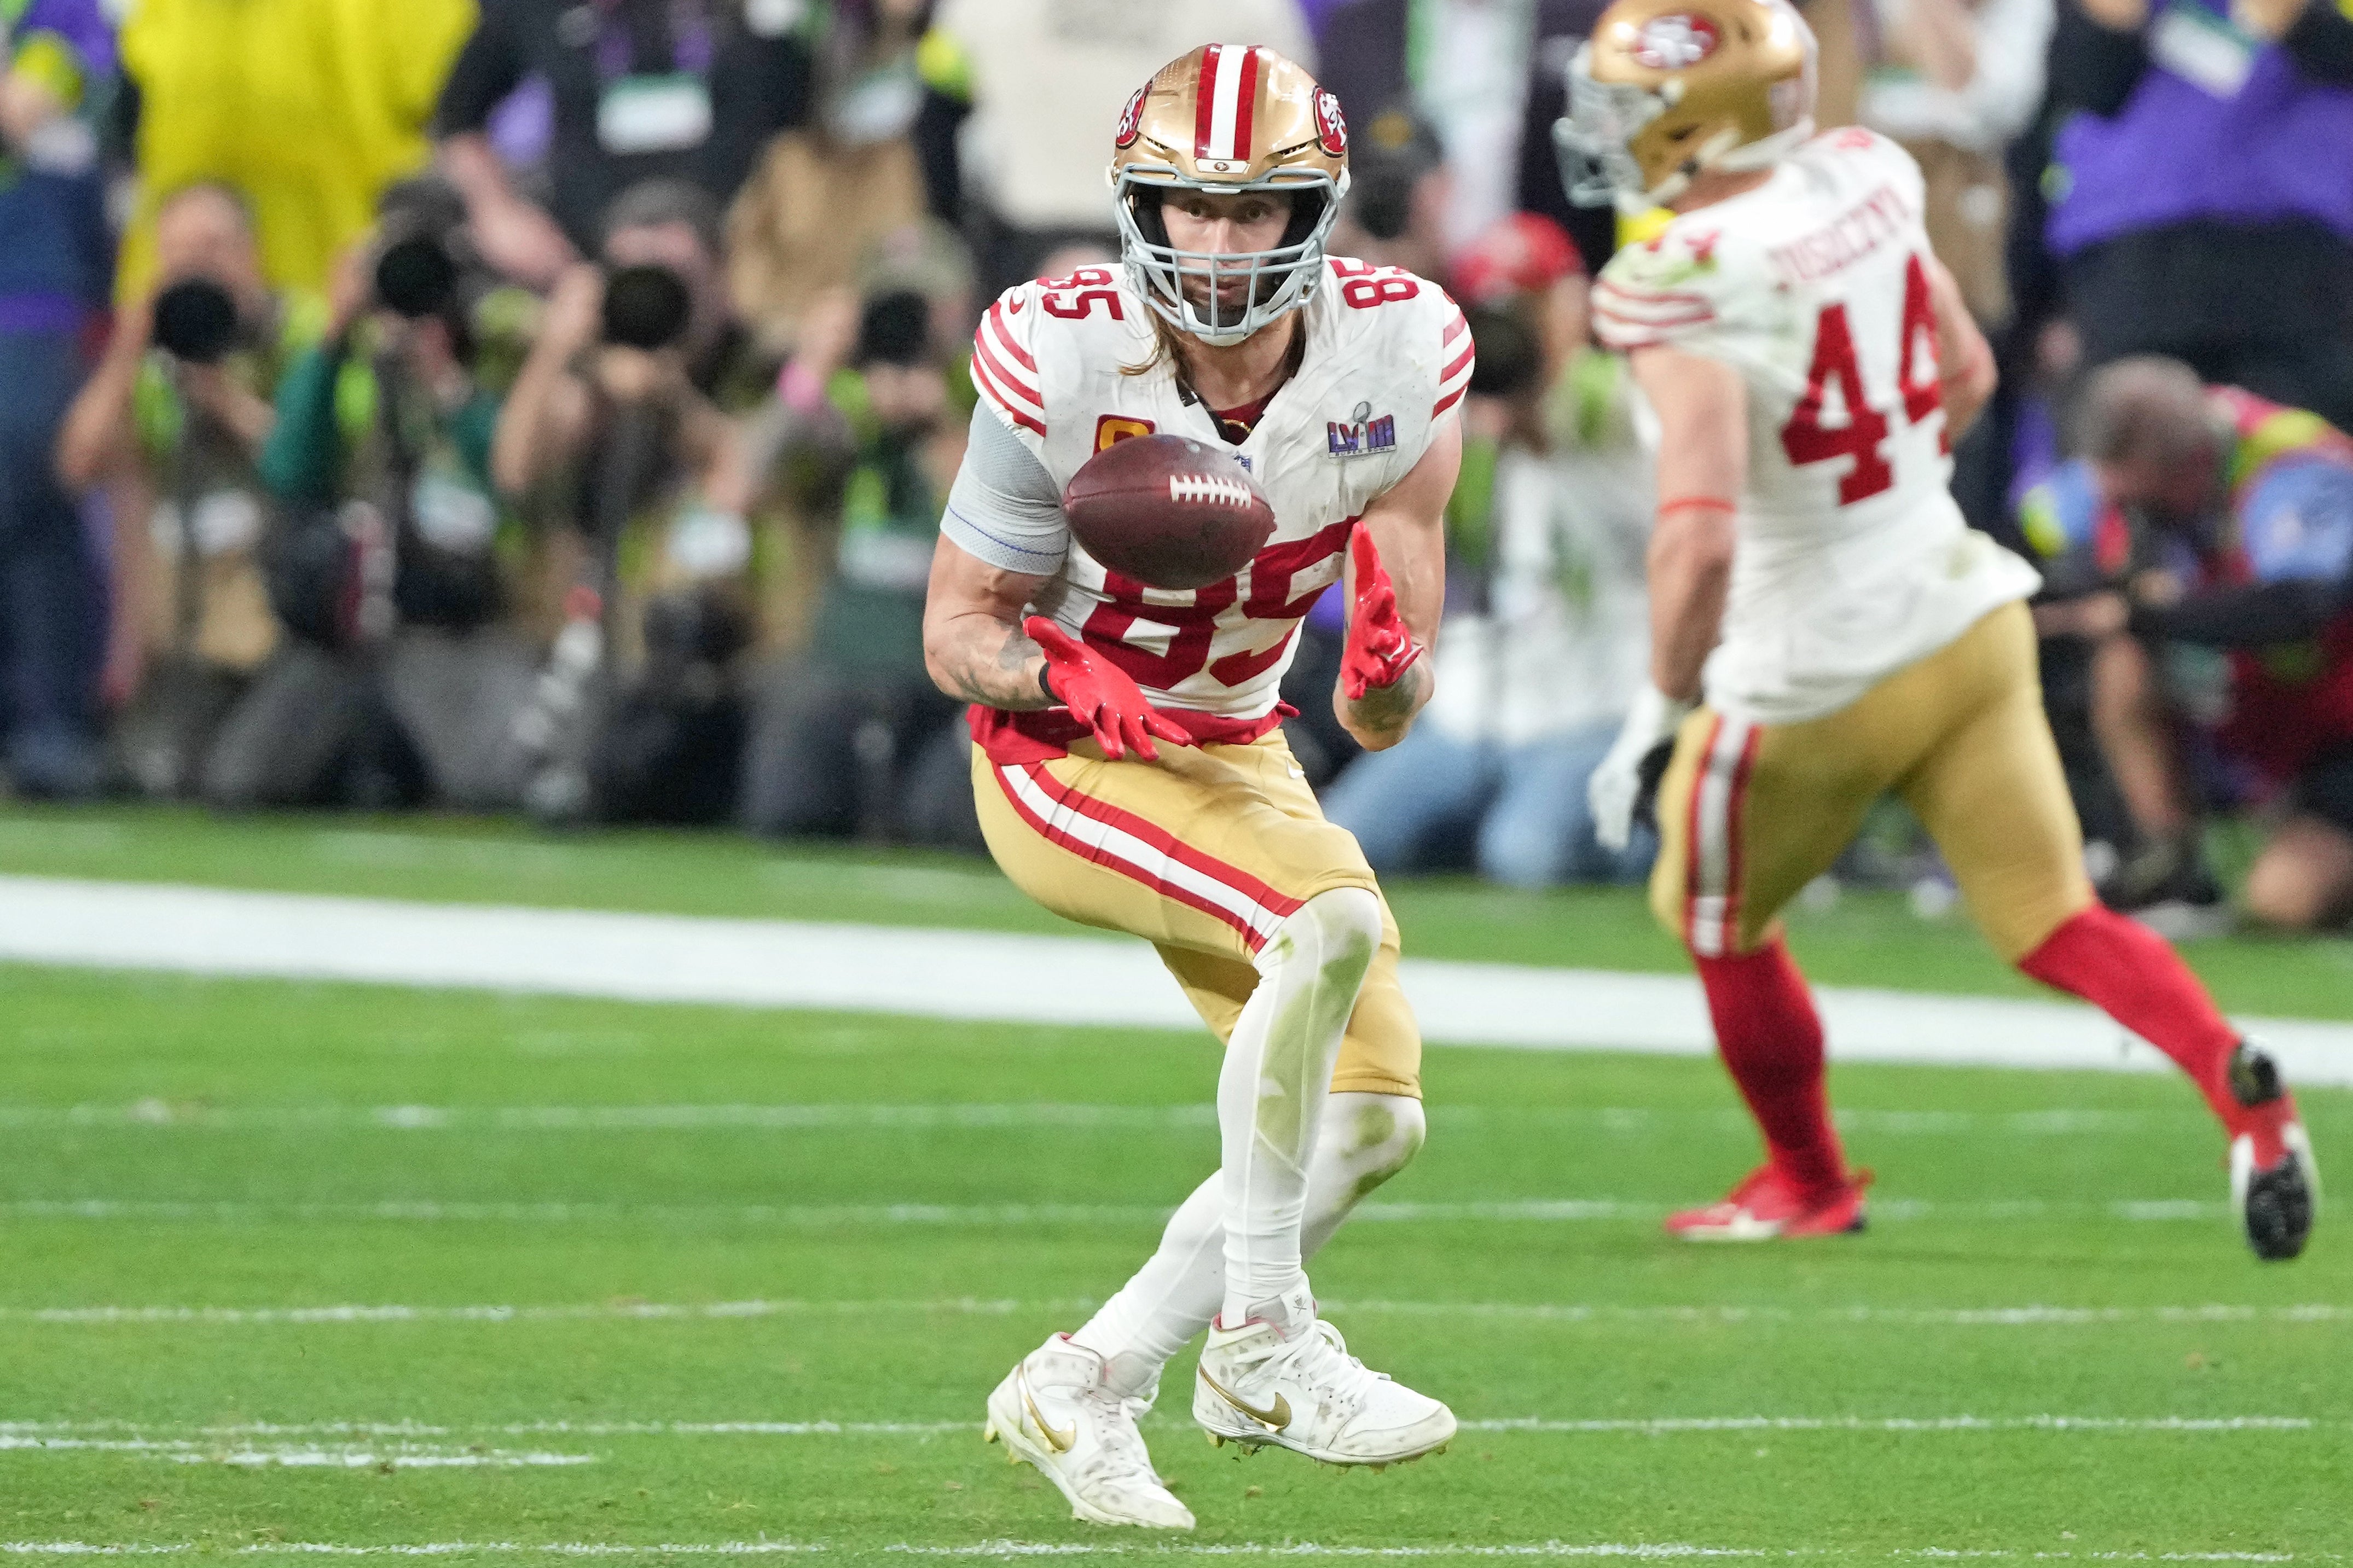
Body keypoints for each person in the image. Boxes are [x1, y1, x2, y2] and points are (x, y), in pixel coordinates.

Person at [1558, 0, 2315, 1257]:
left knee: (1713, 919)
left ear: (1707, 115)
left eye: (1634, 105)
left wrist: (1654, 704)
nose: (1608, 130)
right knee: (2055, 914)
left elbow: (1695, 533)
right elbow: (1962, 372)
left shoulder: (1672, 281)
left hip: (1808, 668)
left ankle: (1807, 1178)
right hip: (1959, 605)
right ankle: (2235, 1079)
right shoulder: (1863, 173)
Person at [921, 44, 1468, 1530]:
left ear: (1320, 207)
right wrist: (1051, 675)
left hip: (1233, 742)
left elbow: (1391, 677)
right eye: (1185, 209)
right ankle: (1261, 1340)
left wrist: (1386, 679)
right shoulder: (1057, 349)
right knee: (1326, 917)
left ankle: (1084, 1381)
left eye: (1256, 210)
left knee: (1370, 1116)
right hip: (1069, 758)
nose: (1217, 246)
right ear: (1134, 206)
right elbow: (954, 630)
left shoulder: (1403, 347)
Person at [201, 181, 532, 812]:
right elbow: (290, 467)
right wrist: (337, 332)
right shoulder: (349, 356)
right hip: (346, 631)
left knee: (499, 785)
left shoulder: (503, 343)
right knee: (244, 782)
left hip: (460, 625)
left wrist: (446, 383)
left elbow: (514, 480)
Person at [2029, 359, 2353, 933]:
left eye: (2148, 501)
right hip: (2256, 713)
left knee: (2283, 903)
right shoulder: (2114, 468)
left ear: (2193, 464)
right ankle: (2169, 859)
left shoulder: (2294, 465)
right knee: (2120, 660)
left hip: (2338, 726)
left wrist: (2144, 610)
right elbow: (2047, 550)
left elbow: (2300, 607)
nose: (2132, 514)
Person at [492, 181, 763, 824]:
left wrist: (672, 399)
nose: (654, 293)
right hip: (589, 634)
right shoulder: (590, 370)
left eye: (676, 276)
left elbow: (744, 476)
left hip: (713, 649)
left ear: (717, 283)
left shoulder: (747, 361)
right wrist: (558, 346)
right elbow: (516, 470)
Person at [54, 183, 306, 799]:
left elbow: (310, 465)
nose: (197, 265)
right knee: (138, 778)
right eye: (179, 250)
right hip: (171, 632)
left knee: (238, 779)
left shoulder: (296, 331)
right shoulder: (148, 354)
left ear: (252, 253)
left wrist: (223, 399)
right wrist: (128, 350)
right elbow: (76, 463)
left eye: (214, 247)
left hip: (275, 618)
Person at [740, 282, 982, 849]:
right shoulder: (844, 421)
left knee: (940, 823)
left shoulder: (980, 405)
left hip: (943, 688)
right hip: (835, 672)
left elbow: (996, 518)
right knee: (786, 809)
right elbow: (742, 486)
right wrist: (811, 371)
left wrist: (934, 424)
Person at [2040, 0, 2353, 431]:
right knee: (2135, 448)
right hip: (2133, 254)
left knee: (2294, 450)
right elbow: (2083, 84)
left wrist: (2300, 22)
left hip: (2291, 254)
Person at [432, 0, 818, 287]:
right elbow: (458, 116)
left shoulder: (752, 13)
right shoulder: (539, 10)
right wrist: (498, 213)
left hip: (735, 264)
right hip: (584, 265)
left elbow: (813, 117)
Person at [0, 0, 113, 798]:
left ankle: (53, 725)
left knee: (33, 492)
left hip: (32, 297)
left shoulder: (60, 15)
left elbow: (23, 108)